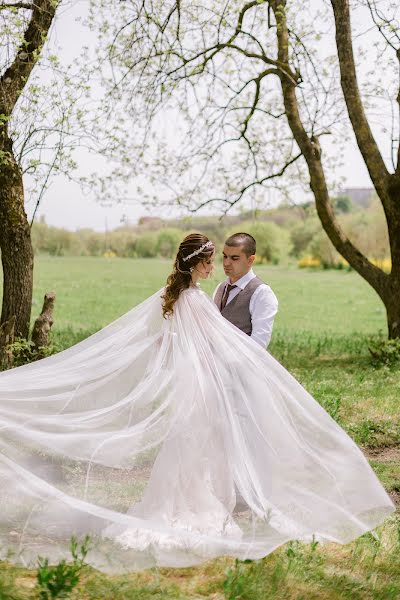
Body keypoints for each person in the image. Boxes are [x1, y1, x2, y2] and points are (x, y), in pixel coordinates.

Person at [0, 233, 394, 574]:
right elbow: (214, 342)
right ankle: (195, 507)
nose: (217, 266)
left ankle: (187, 500)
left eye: (226, 259)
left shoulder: (179, 297)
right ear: (199, 263)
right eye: (213, 260)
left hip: (206, 382)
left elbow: (212, 342)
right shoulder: (201, 298)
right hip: (205, 385)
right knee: (200, 445)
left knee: (192, 445)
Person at [213, 233, 278, 348]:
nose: (226, 263)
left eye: (234, 258)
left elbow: (259, 343)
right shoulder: (220, 288)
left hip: (242, 365)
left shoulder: (262, 293)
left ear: (250, 260)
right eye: (225, 256)